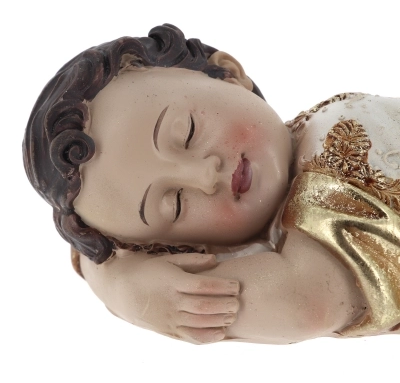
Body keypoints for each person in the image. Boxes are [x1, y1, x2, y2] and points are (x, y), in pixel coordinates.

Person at [23, 24, 400, 345]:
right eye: (175, 204)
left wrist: (124, 289)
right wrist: (114, 272)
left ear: (228, 73)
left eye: (186, 133)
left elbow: (306, 302)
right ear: (187, 247)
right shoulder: (270, 243)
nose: (204, 176)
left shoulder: (341, 133)